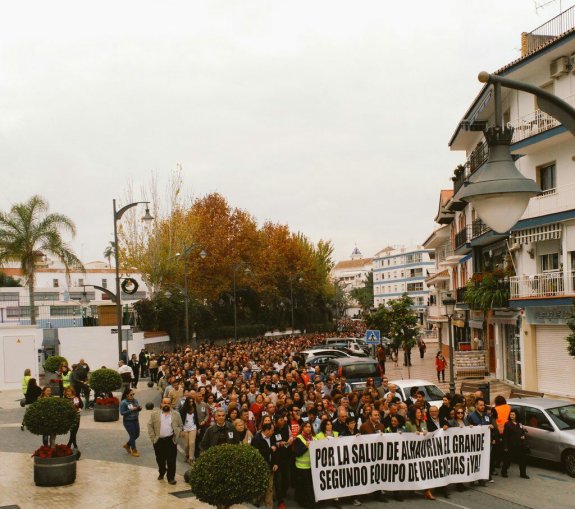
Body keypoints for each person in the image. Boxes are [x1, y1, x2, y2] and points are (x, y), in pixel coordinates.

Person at [147, 397, 183, 485]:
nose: (166, 405)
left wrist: (177, 434)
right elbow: (150, 425)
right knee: (160, 459)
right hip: (159, 441)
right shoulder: (154, 414)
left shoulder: (176, 414)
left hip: (171, 440)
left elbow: (180, 425)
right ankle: (162, 471)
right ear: (161, 404)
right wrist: (153, 438)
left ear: (170, 405)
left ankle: (171, 478)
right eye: (164, 403)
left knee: (171, 460)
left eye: (168, 403)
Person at [405, 407, 435, 500]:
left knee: (424, 469)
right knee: (414, 470)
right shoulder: (408, 424)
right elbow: (404, 436)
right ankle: (412, 489)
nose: (420, 414)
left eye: (420, 412)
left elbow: (427, 434)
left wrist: (425, 433)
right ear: (414, 413)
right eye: (418, 412)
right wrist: (413, 435)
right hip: (412, 451)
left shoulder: (423, 422)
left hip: (423, 450)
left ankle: (427, 491)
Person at [251, 422, 279, 509]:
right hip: (261, 468)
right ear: (266, 430)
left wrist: (275, 463)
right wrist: (270, 449)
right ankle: (256, 502)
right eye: (272, 430)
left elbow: (275, 451)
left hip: (271, 467)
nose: (273, 432)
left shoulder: (272, 437)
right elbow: (257, 453)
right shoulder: (256, 439)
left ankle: (269, 507)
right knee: (260, 488)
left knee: (269, 489)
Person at [501, 410, 529, 479]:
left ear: (516, 415)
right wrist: (505, 446)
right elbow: (505, 436)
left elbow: (522, 431)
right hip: (511, 444)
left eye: (513, 415)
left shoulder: (519, 423)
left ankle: (523, 474)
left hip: (520, 444)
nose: (511, 416)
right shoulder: (507, 424)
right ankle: (504, 472)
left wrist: (523, 435)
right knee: (508, 460)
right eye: (510, 415)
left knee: (523, 460)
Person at [294, 421, 316, 509]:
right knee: (303, 486)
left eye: (309, 427)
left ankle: (306, 501)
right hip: (301, 467)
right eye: (306, 427)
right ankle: (303, 502)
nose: (308, 428)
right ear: (302, 428)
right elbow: (297, 453)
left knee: (308, 486)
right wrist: (305, 447)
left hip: (311, 467)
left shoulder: (314, 438)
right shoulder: (299, 438)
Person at [120, 387, 142, 457]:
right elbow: (122, 413)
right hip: (128, 421)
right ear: (126, 395)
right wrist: (132, 410)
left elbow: (137, 407)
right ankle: (134, 450)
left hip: (136, 420)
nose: (132, 396)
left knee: (137, 435)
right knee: (132, 435)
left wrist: (139, 408)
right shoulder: (123, 402)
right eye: (131, 394)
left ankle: (127, 445)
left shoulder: (135, 400)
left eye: (133, 394)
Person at [179, 397, 198, 464]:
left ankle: (191, 458)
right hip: (185, 429)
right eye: (189, 402)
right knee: (186, 445)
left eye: (192, 402)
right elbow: (180, 421)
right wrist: (181, 430)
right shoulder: (183, 410)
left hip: (193, 428)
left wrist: (198, 428)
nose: (191, 403)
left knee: (192, 443)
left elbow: (196, 419)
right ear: (187, 402)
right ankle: (187, 455)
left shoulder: (194, 409)